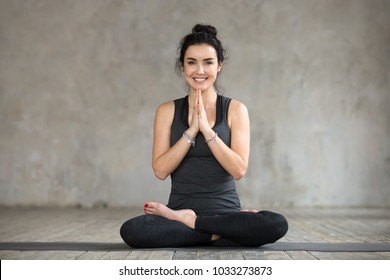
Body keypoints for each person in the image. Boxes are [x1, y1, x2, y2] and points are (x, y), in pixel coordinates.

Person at [120, 24, 288, 248]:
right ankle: (218, 233)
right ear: (183, 66)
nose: (200, 70)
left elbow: (238, 170)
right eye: (192, 62)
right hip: (178, 215)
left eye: (208, 62)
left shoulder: (235, 110)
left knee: (276, 224)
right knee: (132, 231)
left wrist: (207, 131)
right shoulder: (167, 111)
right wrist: (190, 131)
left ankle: (196, 224)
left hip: (225, 214)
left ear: (219, 65)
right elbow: (160, 170)